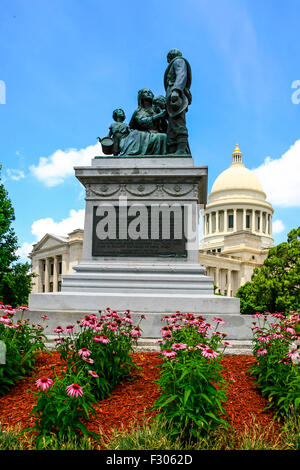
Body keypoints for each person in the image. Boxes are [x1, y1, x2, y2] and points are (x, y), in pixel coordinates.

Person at [119, 88, 167, 156]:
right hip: (143, 134)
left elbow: (164, 125)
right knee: (139, 135)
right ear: (141, 96)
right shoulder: (138, 111)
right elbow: (143, 121)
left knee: (165, 136)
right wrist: (159, 116)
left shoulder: (157, 109)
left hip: (158, 133)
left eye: (149, 92)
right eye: (145, 92)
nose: (148, 93)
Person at [164, 49, 192, 155]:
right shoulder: (176, 62)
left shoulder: (178, 61)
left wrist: (176, 90)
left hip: (176, 96)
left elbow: (181, 75)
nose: (168, 61)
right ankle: (174, 149)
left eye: (168, 59)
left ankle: (181, 150)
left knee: (178, 122)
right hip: (171, 97)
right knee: (173, 124)